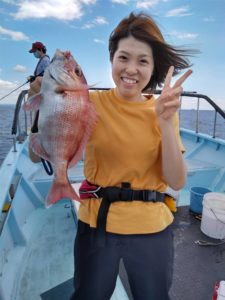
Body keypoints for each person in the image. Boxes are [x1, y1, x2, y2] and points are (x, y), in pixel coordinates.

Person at [28, 12, 194, 300]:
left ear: (154, 67)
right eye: (123, 57)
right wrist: (41, 109)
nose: (131, 69)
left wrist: (167, 123)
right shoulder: (86, 101)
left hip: (152, 228)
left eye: (143, 60)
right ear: (112, 59)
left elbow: (176, 181)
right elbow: (33, 157)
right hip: (96, 224)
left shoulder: (164, 108)